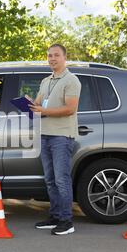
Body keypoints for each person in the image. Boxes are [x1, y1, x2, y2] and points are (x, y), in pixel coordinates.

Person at [28, 44, 81, 236]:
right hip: (45, 135)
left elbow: (70, 109)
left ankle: (67, 221)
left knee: (61, 179)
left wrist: (44, 110)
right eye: (49, 56)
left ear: (64, 58)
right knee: (50, 180)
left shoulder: (71, 80)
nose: (52, 59)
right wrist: (30, 104)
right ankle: (55, 216)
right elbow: (38, 105)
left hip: (61, 137)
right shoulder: (46, 81)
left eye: (56, 55)